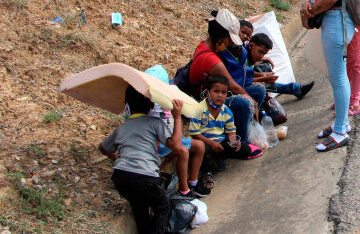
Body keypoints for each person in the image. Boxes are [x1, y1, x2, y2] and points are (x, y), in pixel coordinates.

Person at [300, 0, 360, 152]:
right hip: (335, 22)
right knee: (337, 77)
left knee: (338, 78)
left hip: (338, 22)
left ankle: (341, 129)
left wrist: (309, 10)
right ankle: (339, 123)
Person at [98, 86, 183, 234]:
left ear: (127, 104)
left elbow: (103, 147)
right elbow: (175, 145)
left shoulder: (122, 128)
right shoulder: (155, 123)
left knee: (139, 207)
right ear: (151, 105)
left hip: (121, 177)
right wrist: (177, 117)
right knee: (162, 207)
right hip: (146, 176)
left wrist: (115, 157)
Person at [188, 9, 265, 144]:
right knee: (244, 102)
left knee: (258, 91)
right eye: (229, 40)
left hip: (216, 91)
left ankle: (248, 128)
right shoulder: (211, 60)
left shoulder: (207, 47)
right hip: (207, 100)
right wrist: (252, 102)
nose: (230, 43)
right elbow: (234, 87)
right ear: (220, 35)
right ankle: (243, 141)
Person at [144, 65, 211, 197]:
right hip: (160, 144)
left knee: (200, 146)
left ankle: (193, 182)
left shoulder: (171, 94)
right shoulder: (146, 102)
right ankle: (184, 189)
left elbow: (192, 107)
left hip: (173, 138)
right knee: (183, 152)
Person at [189, 74, 262, 173]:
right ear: (207, 93)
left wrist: (234, 141)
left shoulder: (226, 111)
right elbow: (195, 133)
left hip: (221, 143)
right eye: (216, 91)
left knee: (244, 149)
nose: (220, 95)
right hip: (206, 143)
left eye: (223, 92)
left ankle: (219, 158)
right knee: (206, 153)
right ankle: (213, 163)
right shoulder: (198, 110)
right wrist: (211, 143)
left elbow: (230, 131)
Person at [246, 33, 314, 99]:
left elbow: (248, 73)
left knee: (265, 73)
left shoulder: (248, 51)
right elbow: (243, 80)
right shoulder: (242, 57)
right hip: (241, 86)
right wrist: (262, 78)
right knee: (261, 87)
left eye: (264, 54)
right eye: (260, 52)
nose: (261, 56)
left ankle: (296, 89)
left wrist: (263, 76)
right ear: (250, 46)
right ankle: (296, 89)